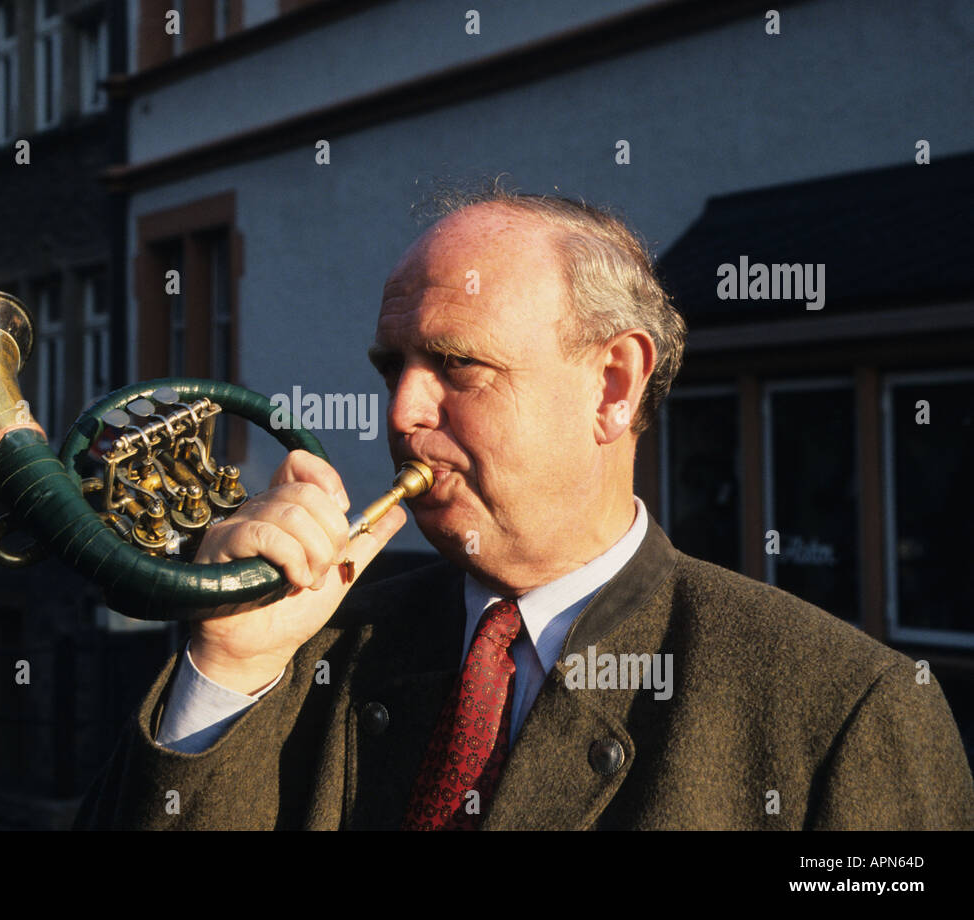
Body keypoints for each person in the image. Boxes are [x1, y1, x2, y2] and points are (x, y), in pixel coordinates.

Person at [74, 190, 974, 830]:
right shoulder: (302, 643)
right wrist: (228, 666)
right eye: (393, 369)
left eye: (457, 366)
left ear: (613, 387)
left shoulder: (844, 708)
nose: (401, 414)